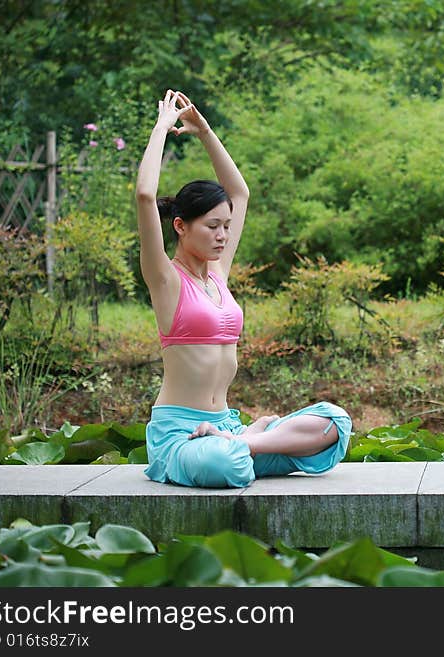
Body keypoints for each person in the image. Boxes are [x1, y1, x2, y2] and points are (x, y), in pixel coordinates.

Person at [135, 89, 351, 488]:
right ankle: (249, 445)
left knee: (334, 423)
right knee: (226, 465)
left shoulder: (218, 273)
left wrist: (204, 131)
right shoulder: (165, 278)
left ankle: (243, 441)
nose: (222, 236)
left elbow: (240, 193)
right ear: (180, 226)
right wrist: (161, 129)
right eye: (212, 227)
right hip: (181, 439)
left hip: (225, 428)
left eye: (227, 227)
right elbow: (146, 196)